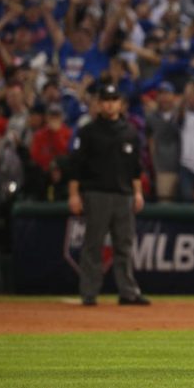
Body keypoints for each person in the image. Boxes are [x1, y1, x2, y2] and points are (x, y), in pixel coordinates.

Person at [67, 83, 149, 306]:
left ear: (120, 104)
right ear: (99, 104)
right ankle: (89, 293)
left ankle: (128, 292)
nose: (110, 104)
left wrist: (138, 193)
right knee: (93, 245)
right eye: (105, 100)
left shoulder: (130, 132)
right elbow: (76, 167)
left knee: (125, 245)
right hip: (97, 193)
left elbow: (135, 169)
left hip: (124, 195)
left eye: (113, 100)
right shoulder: (88, 131)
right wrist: (74, 194)